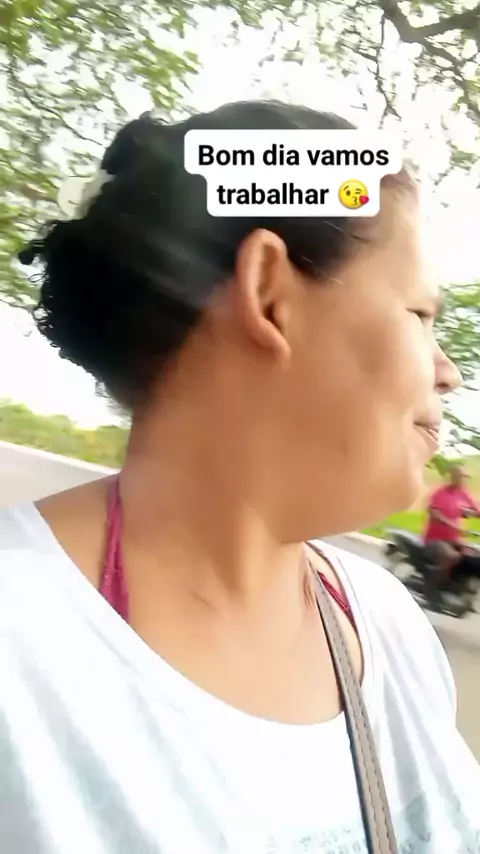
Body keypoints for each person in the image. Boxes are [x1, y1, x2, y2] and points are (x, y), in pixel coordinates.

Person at [1, 101, 479, 853]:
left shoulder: (387, 628)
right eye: (420, 313)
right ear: (269, 295)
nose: (447, 372)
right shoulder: (18, 647)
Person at [424, 466, 480, 592]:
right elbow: (436, 515)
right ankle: (433, 590)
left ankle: (459, 586)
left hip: (454, 539)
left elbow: (476, 510)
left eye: (465, 478)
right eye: (460, 477)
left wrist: (471, 513)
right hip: (435, 539)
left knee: (473, 555)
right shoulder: (440, 494)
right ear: (452, 477)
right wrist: (456, 527)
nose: (463, 480)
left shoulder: (463, 493)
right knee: (451, 556)